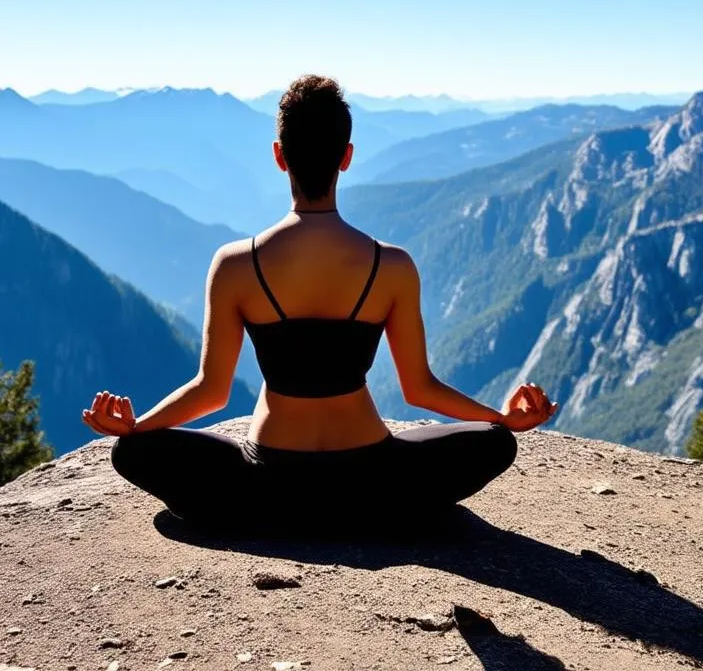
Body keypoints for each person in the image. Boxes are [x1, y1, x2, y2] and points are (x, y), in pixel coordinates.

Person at [82, 74, 557, 534]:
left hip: (265, 483)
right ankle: (383, 516)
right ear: (346, 157)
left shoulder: (234, 265)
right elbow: (419, 388)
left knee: (131, 454)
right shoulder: (391, 265)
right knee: (495, 445)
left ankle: (263, 519)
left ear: (279, 157)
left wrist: (137, 427)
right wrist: (501, 418)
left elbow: (211, 392)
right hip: (373, 481)